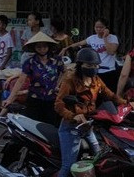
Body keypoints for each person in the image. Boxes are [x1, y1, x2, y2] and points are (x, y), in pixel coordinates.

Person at [54, 47, 131, 177]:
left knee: (98, 157)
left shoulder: (96, 80)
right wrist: (73, 116)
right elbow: (58, 104)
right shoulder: (70, 80)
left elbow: (111, 95)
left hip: (88, 126)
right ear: (80, 64)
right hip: (71, 127)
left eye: (96, 65)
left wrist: (127, 104)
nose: (93, 68)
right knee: (68, 167)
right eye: (89, 65)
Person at [2, 32, 64, 126]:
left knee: (50, 128)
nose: (42, 49)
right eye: (39, 47)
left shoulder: (57, 60)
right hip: (34, 99)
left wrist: (58, 85)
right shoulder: (30, 62)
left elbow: (64, 72)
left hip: (52, 99)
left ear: (48, 47)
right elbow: (21, 80)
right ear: (35, 48)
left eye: (44, 46)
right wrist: (10, 99)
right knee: (32, 128)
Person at [60, 18, 119, 92]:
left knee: (108, 93)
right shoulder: (92, 38)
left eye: (101, 27)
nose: (98, 29)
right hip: (95, 71)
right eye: (96, 27)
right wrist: (66, 48)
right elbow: (79, 43)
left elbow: (111, 52)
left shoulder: (113, 38)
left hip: (108, 71)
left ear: (106, 28)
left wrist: (105, 38)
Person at [0, 15, 14, 108]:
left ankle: (2, 103)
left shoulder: (8, 37)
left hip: (5, 65)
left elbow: (9, 53)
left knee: (3, 85)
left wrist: (2, 65)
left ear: (4, 25)